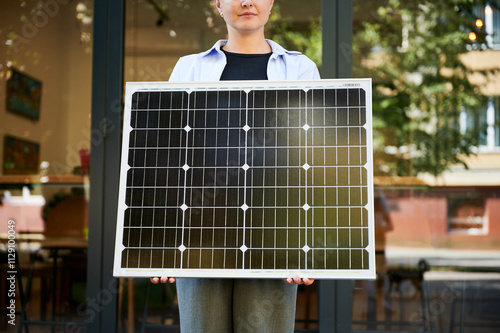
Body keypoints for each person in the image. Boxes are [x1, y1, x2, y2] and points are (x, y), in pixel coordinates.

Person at [151, 0, 320, 331]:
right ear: (217, 3)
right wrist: (162, 243)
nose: (246, 1)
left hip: (275, 235)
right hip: (199, 235)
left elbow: (309, 163)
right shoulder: (188, 69)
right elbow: (168, 157)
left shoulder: (300, 70)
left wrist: (305, 245)